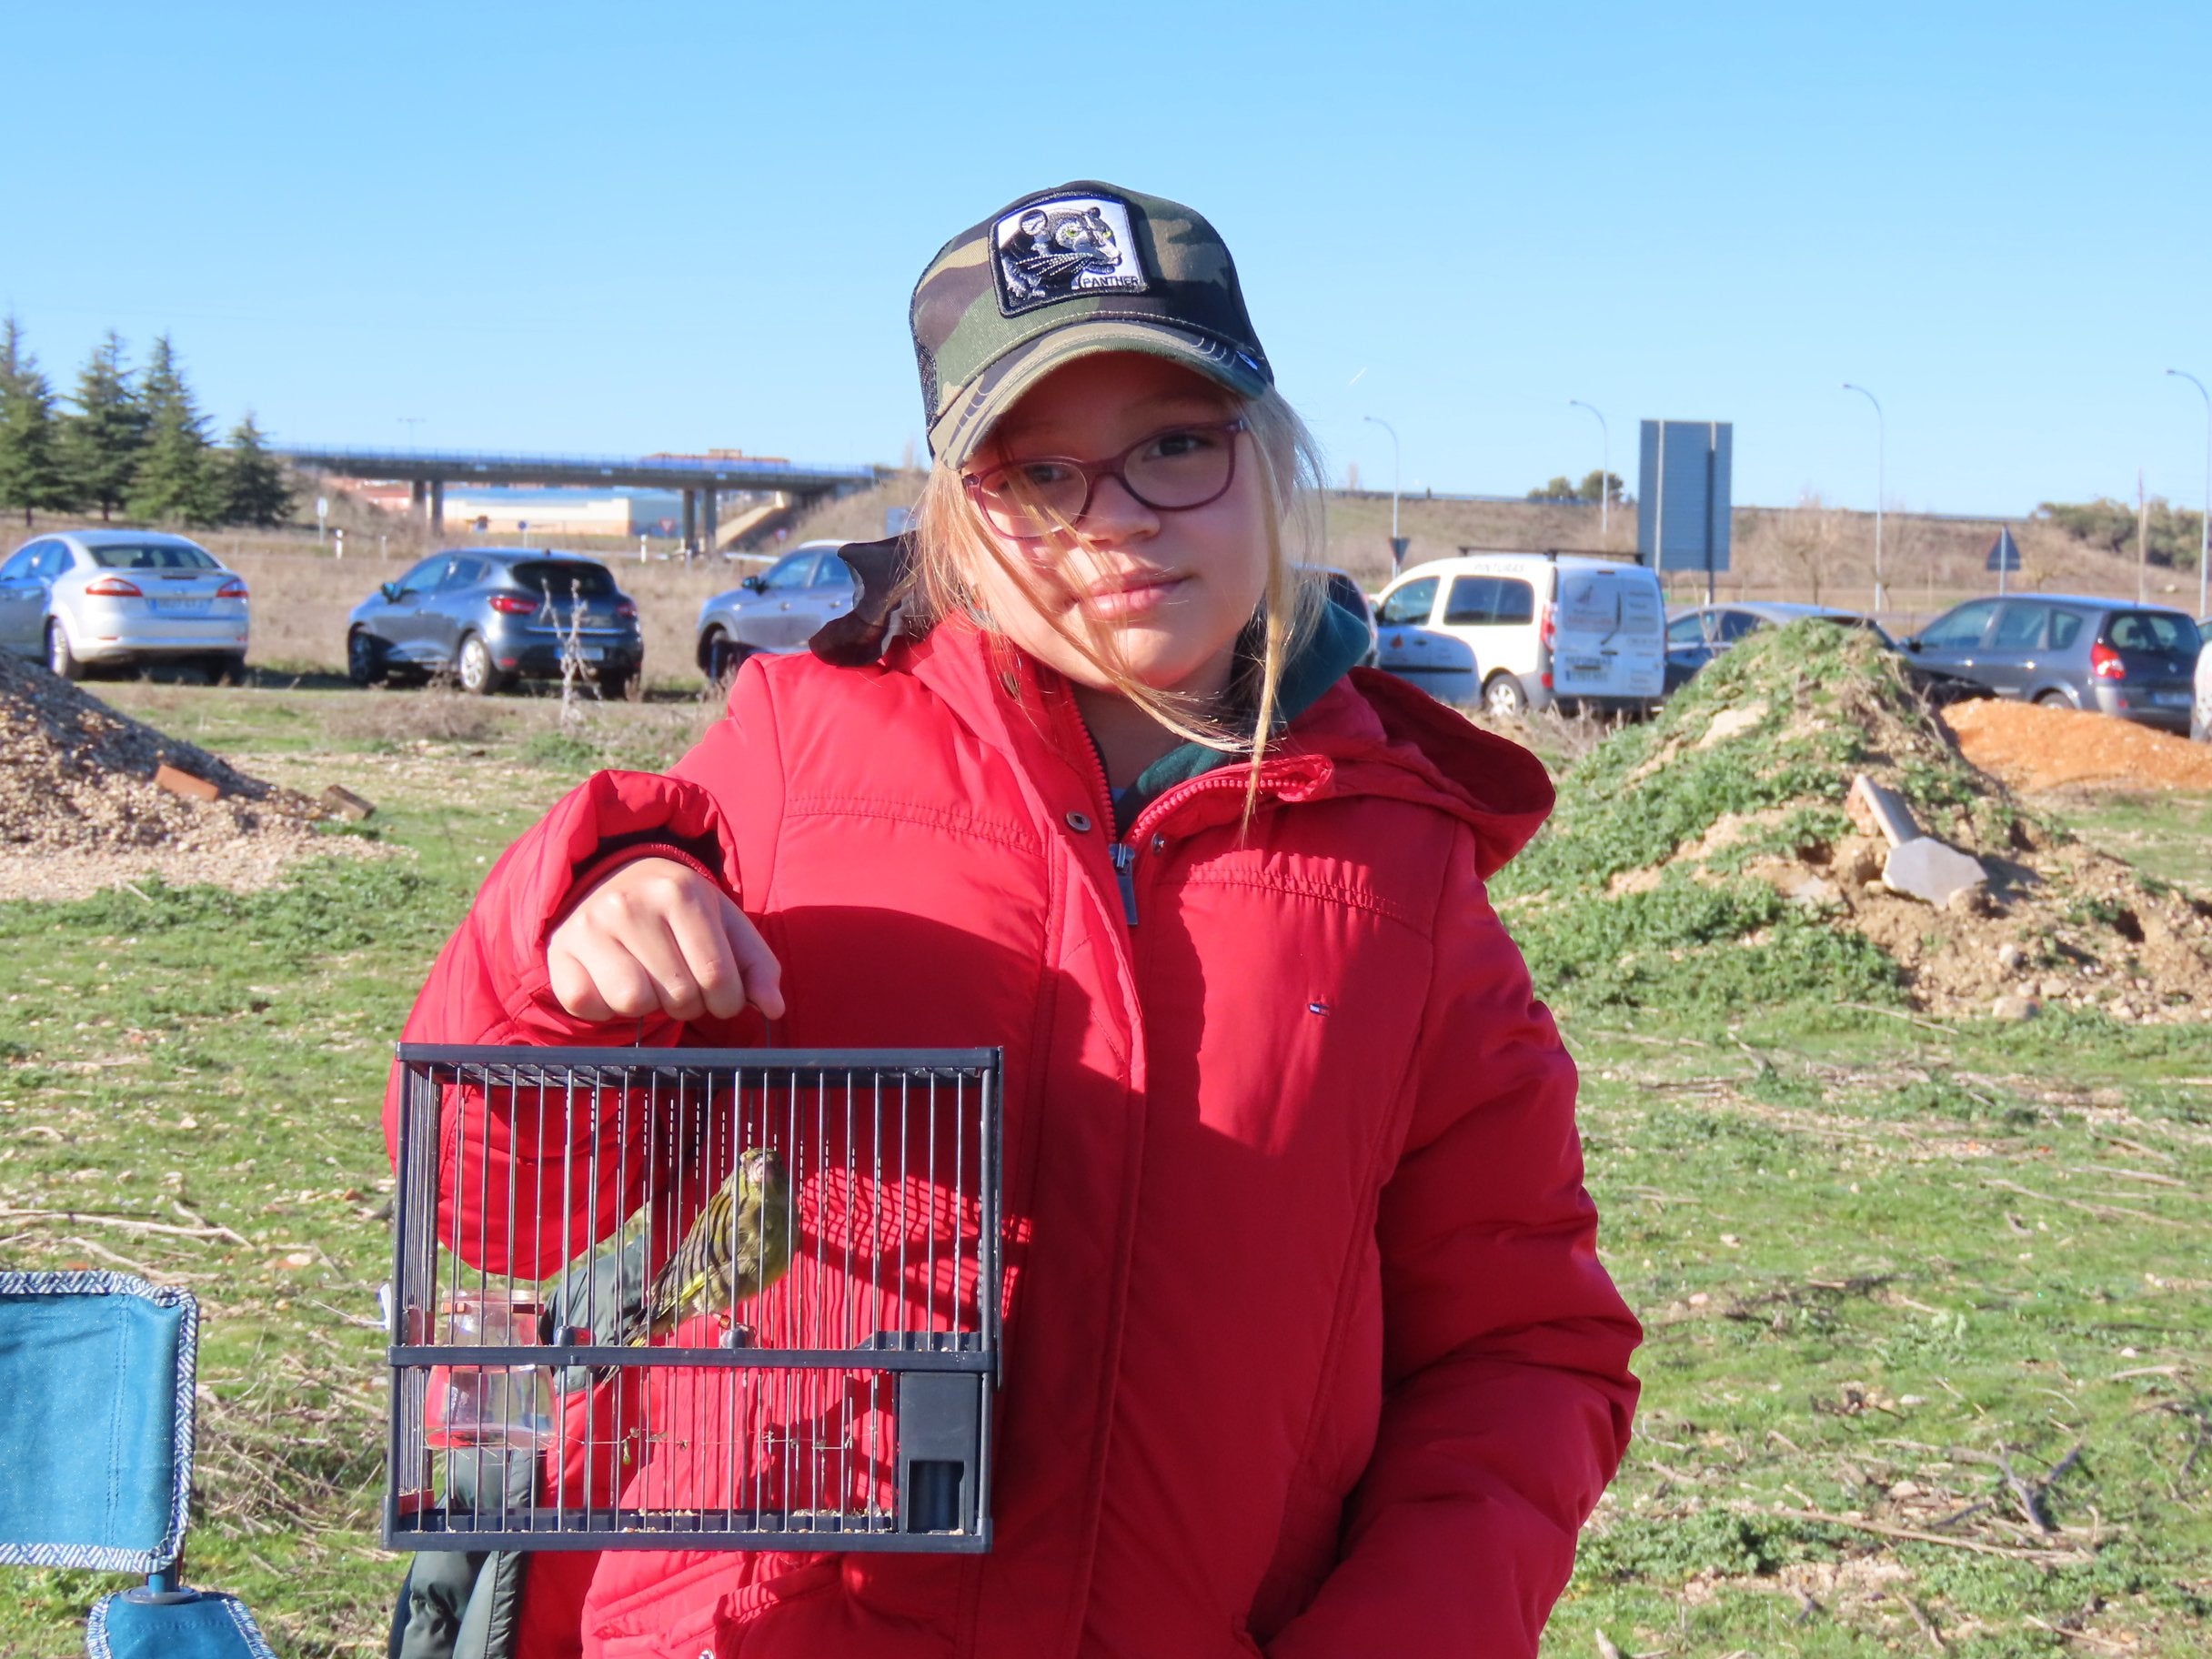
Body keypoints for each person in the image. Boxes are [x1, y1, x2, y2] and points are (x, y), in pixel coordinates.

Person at [387, 180, 1640, 1659]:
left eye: (1175, 445)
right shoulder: (791, 755)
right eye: (1039, 474)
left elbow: (1523, 1355)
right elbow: (497, 1212)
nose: (1114, 522)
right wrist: (569, 959)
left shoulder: (1401, 866)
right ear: (957, 512)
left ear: (1270, 457)